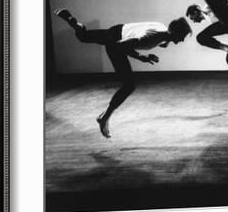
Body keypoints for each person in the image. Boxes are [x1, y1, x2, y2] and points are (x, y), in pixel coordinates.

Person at [54, 8, 192, 138]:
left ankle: (75, 23)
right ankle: (104, 118)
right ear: (175, 33)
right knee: (129, 86)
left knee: (83, 36)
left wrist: (166, 42)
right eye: (182, 36)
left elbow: (163, 37)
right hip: (116, 43)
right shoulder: (150, 38)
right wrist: (142, 57)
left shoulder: (161, 28)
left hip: (117, 29)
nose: (182, 40)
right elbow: (121, 45)